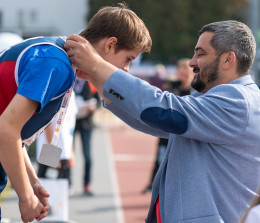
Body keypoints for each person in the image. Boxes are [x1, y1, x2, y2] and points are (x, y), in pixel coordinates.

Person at [0, 3, 152, 223]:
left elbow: (12, 132)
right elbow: (4, 131)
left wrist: (32, 182)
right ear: (110, 45)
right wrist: (25, 197)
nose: (126, 69)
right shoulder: (55, 64)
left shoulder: (55, 53)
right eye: (128, 59)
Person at [65, 20, 260, 223]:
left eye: (201, 54)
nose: (192, 62)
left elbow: (163, 110)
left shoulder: (238, 101)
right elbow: (152, 119)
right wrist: (96, 77)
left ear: (228, 60)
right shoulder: (222, 98)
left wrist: (96, 65)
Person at [143, 58, 194, 194]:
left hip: (183, 135)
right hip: (166, 133)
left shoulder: (194, 92)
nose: (182, 77)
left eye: (186, 74)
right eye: (180, 73)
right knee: (160, 159)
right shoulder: (171, 87)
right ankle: (153, 185)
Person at [36, 91, 77, 183]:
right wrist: (52, 152)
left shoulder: (71, 93)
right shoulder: (53, 91)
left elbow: (71, 125)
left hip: (64, 150)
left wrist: (71, 152)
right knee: (44, 185)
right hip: (49, 148)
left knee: (63, 187)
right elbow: (47, 122)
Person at [74, 79, 100, 195]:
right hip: (70, 123)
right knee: (67, 154)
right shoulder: (69, 79)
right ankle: (67, 183)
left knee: (87, 156)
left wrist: (93, 107)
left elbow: (98, 102)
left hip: (86, 123)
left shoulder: (90, 82)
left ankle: (87, 185)